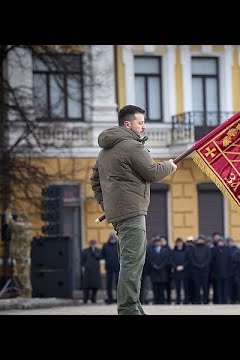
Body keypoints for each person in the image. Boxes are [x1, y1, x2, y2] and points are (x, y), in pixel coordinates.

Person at [90, 104, 177, 315]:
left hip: (119, 214)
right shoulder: (132, 146)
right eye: (140, 122)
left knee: (129, 261)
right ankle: (129, 310)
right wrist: (170, 165)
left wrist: (107, 205)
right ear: (127, 124)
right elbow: (153, 173)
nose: (144, 127)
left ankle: (134, 307)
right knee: (133, 263)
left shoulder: (105, 151)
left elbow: (94, 181)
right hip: (132, 212)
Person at [5, 208, 33, 297]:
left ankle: (27, 292)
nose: (17, 219)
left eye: (19, 218)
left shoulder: (23, 227)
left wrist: (8, 214)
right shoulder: (24, 227)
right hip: (21, 254)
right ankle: (25, 292)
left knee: (23, 274)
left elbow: (11, 224)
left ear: (23, 219)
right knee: (22, 274)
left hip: (21, 254)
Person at [101, 232, 120, 304]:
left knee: (118, 284)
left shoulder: (119, 245)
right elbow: (102, 255)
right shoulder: (105, 245)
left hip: (118, 267)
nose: (112, 240)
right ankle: (110, 299)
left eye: (113, 239)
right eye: (111, 239)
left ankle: (119, 299)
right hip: (109, 268)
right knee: (109, 284)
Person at [81, 239, 102, 303]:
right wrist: (84, 266)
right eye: (92, 243)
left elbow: (100, 257)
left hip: (95, 270)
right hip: (88, 271)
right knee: (86, 286)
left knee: (95, 286)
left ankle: (93, 298)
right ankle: (85, 299)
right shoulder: (85, 250)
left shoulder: (98, 250)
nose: (93, 245)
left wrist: (94, 252)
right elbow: (82, 260)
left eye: (94, 243)